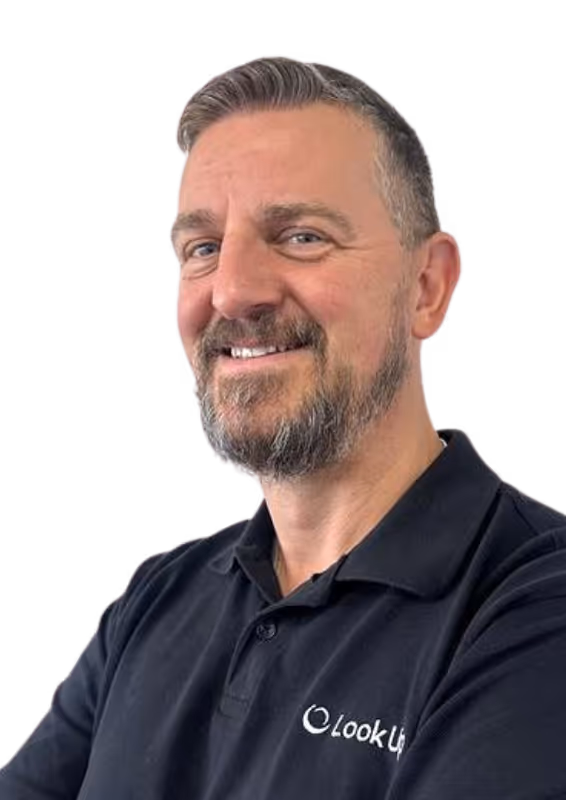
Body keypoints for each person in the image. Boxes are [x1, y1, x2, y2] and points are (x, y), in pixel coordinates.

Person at [2, 56, 565, 799]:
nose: (233, 292)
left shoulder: (536, 606)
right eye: (202, 248)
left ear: (428, 287)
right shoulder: (157, 594)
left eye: (301, 236)